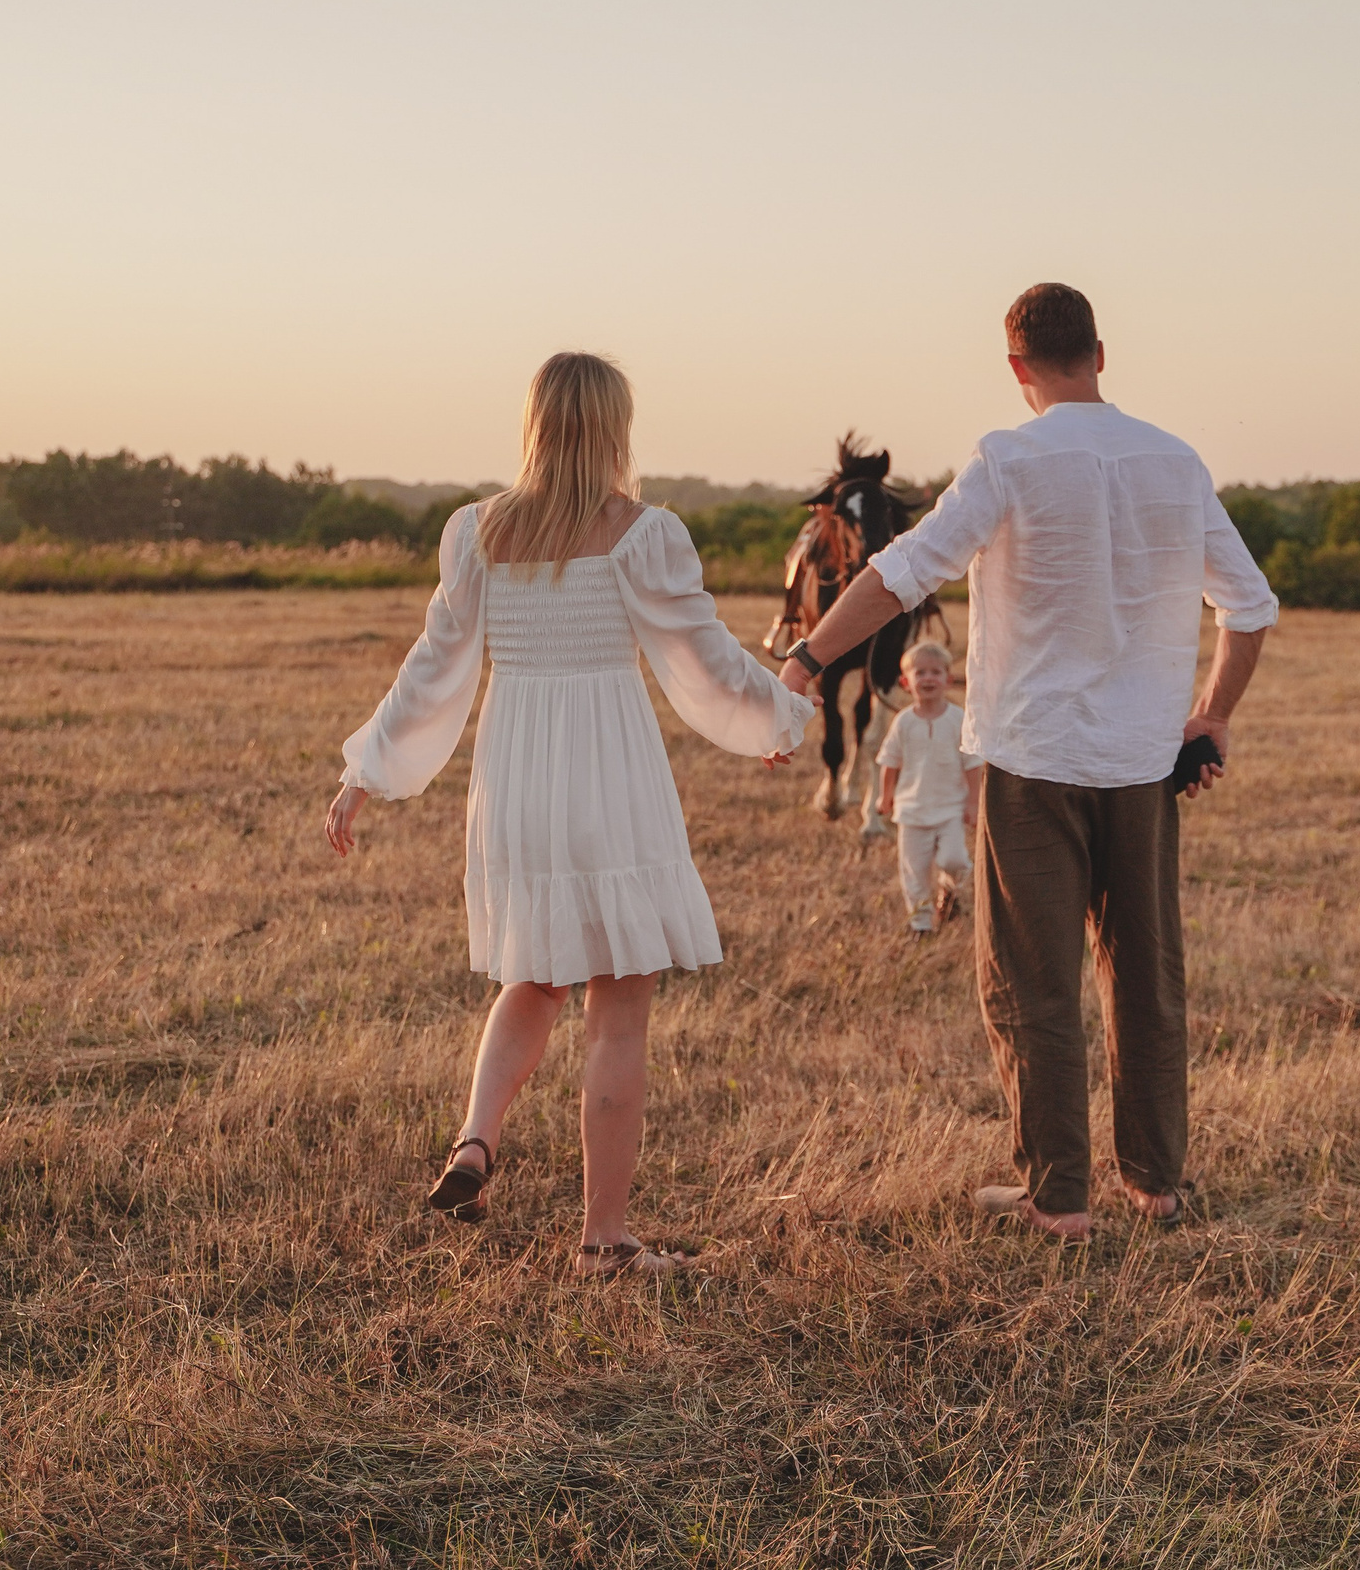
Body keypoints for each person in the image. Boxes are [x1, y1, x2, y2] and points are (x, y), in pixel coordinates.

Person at [780, 284, 1275, 1242]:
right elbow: (1249, 608)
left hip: (1032, 759)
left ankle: (1058, 1197)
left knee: (1033, 980)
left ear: (1017, 370)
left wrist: (806, 659)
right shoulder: (1176, 462)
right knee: (1145, 972)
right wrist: (1209, 716)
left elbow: (901, 572)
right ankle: (1157, 1182)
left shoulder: (1008, 458)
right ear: (1101, 352)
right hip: (1141, 766)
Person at [326, 352, 815, 1277]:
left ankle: (476, 1138)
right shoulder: (642, 532)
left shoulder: (476, 531)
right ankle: (604, 1239)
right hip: (608, 769)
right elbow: (704, 655)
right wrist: (775, 718)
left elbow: (433, 666)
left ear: (536, 423)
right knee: (619, 1009)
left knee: (534, 973)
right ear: (614, 428)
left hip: (516, 778)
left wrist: (366, 771)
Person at [875, 639, 982, 935]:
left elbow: (973, 765)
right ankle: (920, 925)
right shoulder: (903, 722)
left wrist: (973, 803)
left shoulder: (959, 720)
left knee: (956, 860)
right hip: (911, 812)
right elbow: (890, 762)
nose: (928, 678)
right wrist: (886, 797)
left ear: (948, 679)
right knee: (914, 872)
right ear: (905, 682)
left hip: (950, 808)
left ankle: (948, 893)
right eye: (920, 673)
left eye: (935, 672)